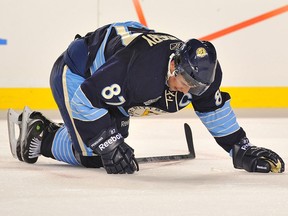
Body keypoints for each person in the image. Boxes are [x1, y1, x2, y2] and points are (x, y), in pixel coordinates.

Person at [10, 21, 284, 174]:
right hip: (78, 73)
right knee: (97, 154)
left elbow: (212, 109)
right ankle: (40, 134)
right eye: (185, 82)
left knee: (114, 140)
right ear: (174, 65)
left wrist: (241, 148)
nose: (188, 91)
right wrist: (107, 143)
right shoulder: (140, 73)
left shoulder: (202, 75)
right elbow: (86, 98)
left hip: (111, 74)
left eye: (196, 87)